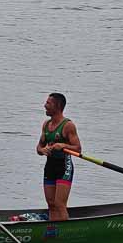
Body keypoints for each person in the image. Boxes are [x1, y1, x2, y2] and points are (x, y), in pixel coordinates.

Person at [37, 91, 82, 221]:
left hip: (64, 167)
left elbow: (78, 149)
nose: (45, 106)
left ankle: (64, 232)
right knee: (51, 204)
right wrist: (43, 150)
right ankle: (53, 232)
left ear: (57, 106)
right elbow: (38, 148)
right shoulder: (46, 125)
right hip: (50, 166)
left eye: (48, 103)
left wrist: (63, 146)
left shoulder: (68, 126)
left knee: (59, 204)